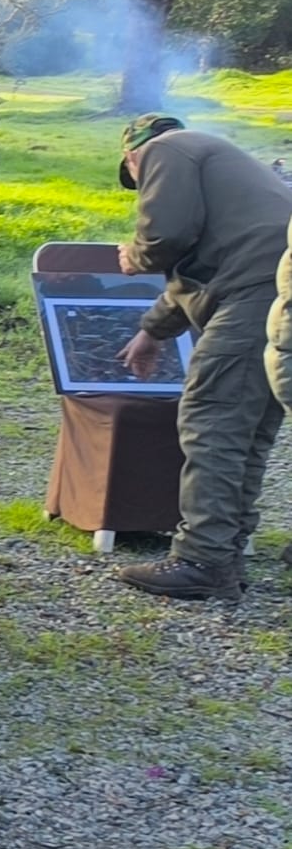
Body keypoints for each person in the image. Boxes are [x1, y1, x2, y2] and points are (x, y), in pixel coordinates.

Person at [115, 114, 291, 601]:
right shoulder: (218, 163)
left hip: (255, 291)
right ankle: (226, 551)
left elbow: (166, 238)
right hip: (274, 287)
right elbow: (197, 268)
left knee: (213, 420)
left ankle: (202, 560)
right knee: (247, 428)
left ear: (132, 158)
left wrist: (135, 256)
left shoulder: (164, 150)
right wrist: (153, 331)